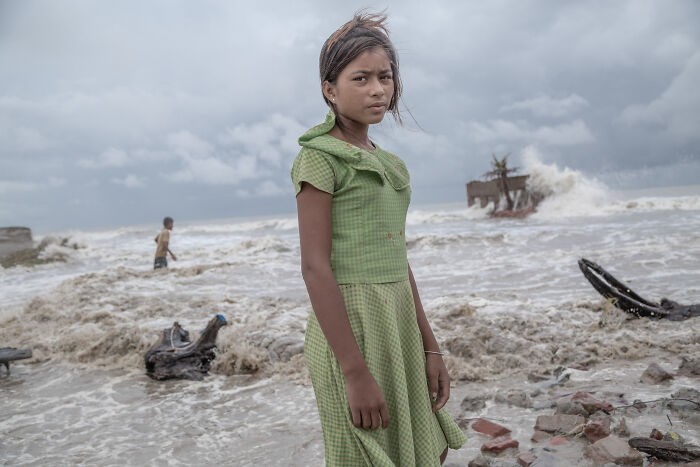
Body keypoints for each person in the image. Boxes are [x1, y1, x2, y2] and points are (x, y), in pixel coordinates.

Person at [291, 12, 466, 466]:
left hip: (398, 323)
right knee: (364, 453)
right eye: (361, 78)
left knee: (427, 446)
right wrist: (354, 372)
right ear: (330, 90)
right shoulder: (320, 161)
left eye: (385, 77)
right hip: (351, 328)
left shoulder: (392, 165)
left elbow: (398, 260)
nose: (377, 90)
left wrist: (430, 346)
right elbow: (315, 267)